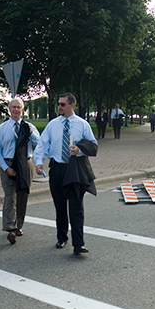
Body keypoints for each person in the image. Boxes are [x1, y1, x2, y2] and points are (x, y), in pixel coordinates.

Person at [34, 93, 98, 255]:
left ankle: (79, 244)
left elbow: (93, 144)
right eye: (58, 104)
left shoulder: (82, 125)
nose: (59, 107)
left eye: (62, 104)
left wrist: (80, 150)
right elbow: (42, 144)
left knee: (76, 207)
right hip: (58, 169)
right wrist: (39, 161)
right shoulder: (53, 125)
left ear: (72, 105)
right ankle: (62, 237)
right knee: (60, 206)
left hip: (75, 169)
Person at [0, 98, 41, 245]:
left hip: (25, 163)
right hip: (8, 164)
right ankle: (10, 228)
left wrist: (31, 133)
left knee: (22, 195)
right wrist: (6, 168)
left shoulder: (29, 126)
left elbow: (40, 144)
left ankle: (18, 225)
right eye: (13, 107)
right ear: (9, 109)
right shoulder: (2, 128)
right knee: (10, 196)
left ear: (22, 110)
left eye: (18, 107)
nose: (16, 110)